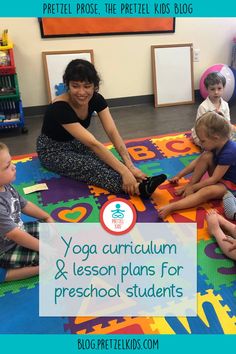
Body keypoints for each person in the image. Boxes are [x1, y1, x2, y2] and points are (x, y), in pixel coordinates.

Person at [36, 59, 166, 198]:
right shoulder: (59, 108)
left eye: (87, 86)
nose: (81, 92)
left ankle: (137, 179)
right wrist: (124, 172)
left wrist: (130, 167)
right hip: (52, 150)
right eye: (75, 86)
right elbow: (93, 143)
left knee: (104, 159)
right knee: (89, 166)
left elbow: (112, 132)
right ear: (67, 85)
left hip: (74, 142)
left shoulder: (96, 99)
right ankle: (138, 188)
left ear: (94, 86)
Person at [158, 111, 236, 219]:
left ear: (215, 138)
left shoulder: (230, 151)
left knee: (206, 192)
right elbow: (197, 162)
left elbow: (213, 179)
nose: (200, 144)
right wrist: (179, 175)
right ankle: (190, 185)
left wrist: (194, 188)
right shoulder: (215, 145)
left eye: (203, 141)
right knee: (206, 156)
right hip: (221, 177)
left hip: (231, 186)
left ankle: (172, 207)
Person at [0, 142, 54, 283]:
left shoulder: (6, 186)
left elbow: (24, 204)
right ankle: (5, 275)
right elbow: (15, 235)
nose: (14, 167)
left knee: (53, 231)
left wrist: (46, 217)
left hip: (17, 233)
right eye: (7, 167)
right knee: (45, 260)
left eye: (11, 162)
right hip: (4, 250)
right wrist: (44, 248)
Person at [191, 71, 231, 147]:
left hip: (218, 132)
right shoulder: (203, 106)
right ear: (207, 89)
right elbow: (199, 126)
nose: (216, 92)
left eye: (219, 88)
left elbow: (227, 123)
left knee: (229, 140)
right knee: (208, 146)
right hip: (204, 132)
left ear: (223, 88)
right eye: (212, 89)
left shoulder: (225, 105)